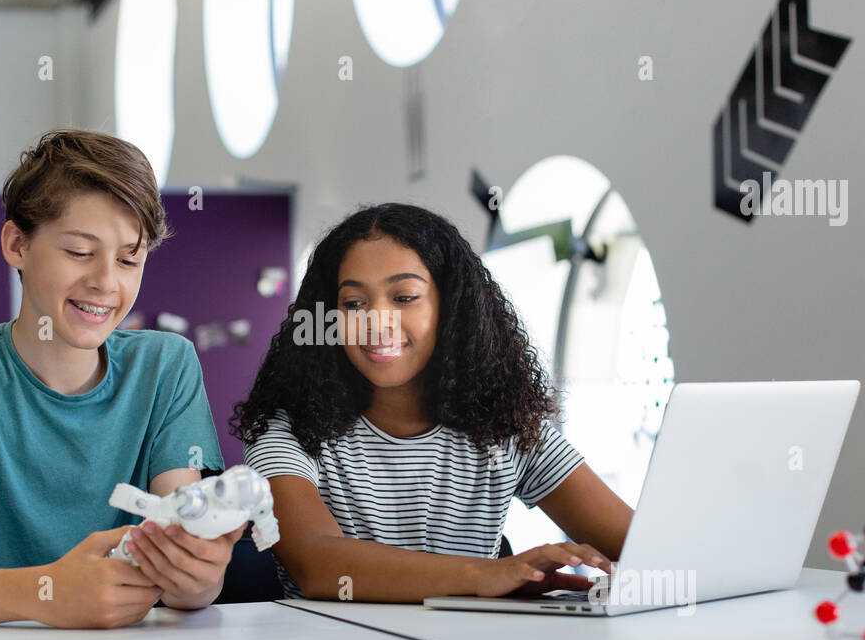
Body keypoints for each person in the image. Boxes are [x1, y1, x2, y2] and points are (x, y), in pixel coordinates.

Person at [0, 129, 243, 628]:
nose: (106, 282)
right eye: (79, 251)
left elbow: (189, 592)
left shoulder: (166, 367)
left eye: (129, 259)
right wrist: (47, 594)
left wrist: (198, 572)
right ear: (17, 244)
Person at [233, 203, 634, 601]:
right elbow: (316, 565)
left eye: (404, 297)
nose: (377, 320)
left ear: (450, 310)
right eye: (354, 304)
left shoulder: (508, 427)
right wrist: (487, 574)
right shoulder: (290, 431)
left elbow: (642, 547)